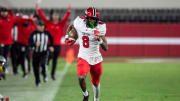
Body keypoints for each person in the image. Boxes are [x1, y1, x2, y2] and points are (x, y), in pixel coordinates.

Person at [65, 7, 108, 101]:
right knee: (81, 77)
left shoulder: (101, 27)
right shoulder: (79, 22)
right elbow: (71, 26)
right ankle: (86, 94)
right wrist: (67, 36)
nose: (93, 20)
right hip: (83, 56)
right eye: (90, 18)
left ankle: (96, 99)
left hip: (96, 58)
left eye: (95, 19)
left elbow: (106, 48)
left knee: (96, 83)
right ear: (86, 18)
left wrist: (99, 40)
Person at [36, 3, 71, 80]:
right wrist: (38, 9)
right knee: (49, 56)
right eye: (54, 15)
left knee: (55, 61)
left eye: (57, 15)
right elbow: (42, 16)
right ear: (52, 16)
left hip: (57, 45)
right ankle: (44, 67)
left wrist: (68, 10)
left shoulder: (61, 24)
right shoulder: (48, 23)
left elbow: (66, 18)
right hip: (49, 45)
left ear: (58, 17)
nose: (55, 17)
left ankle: (52, 75)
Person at [28, 20, 54, 86]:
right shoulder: (33, 33)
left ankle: (44, 75)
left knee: (43, 64)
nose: (42, 27)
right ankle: (37, 81)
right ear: (37, 26)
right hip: (36, 53)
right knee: (35, 68)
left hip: (44, 52)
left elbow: (51, 40)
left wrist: (51, 46)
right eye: (40, 26)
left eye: (43, 26)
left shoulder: (47, 33)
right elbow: (29, 43)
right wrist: (34, 44)